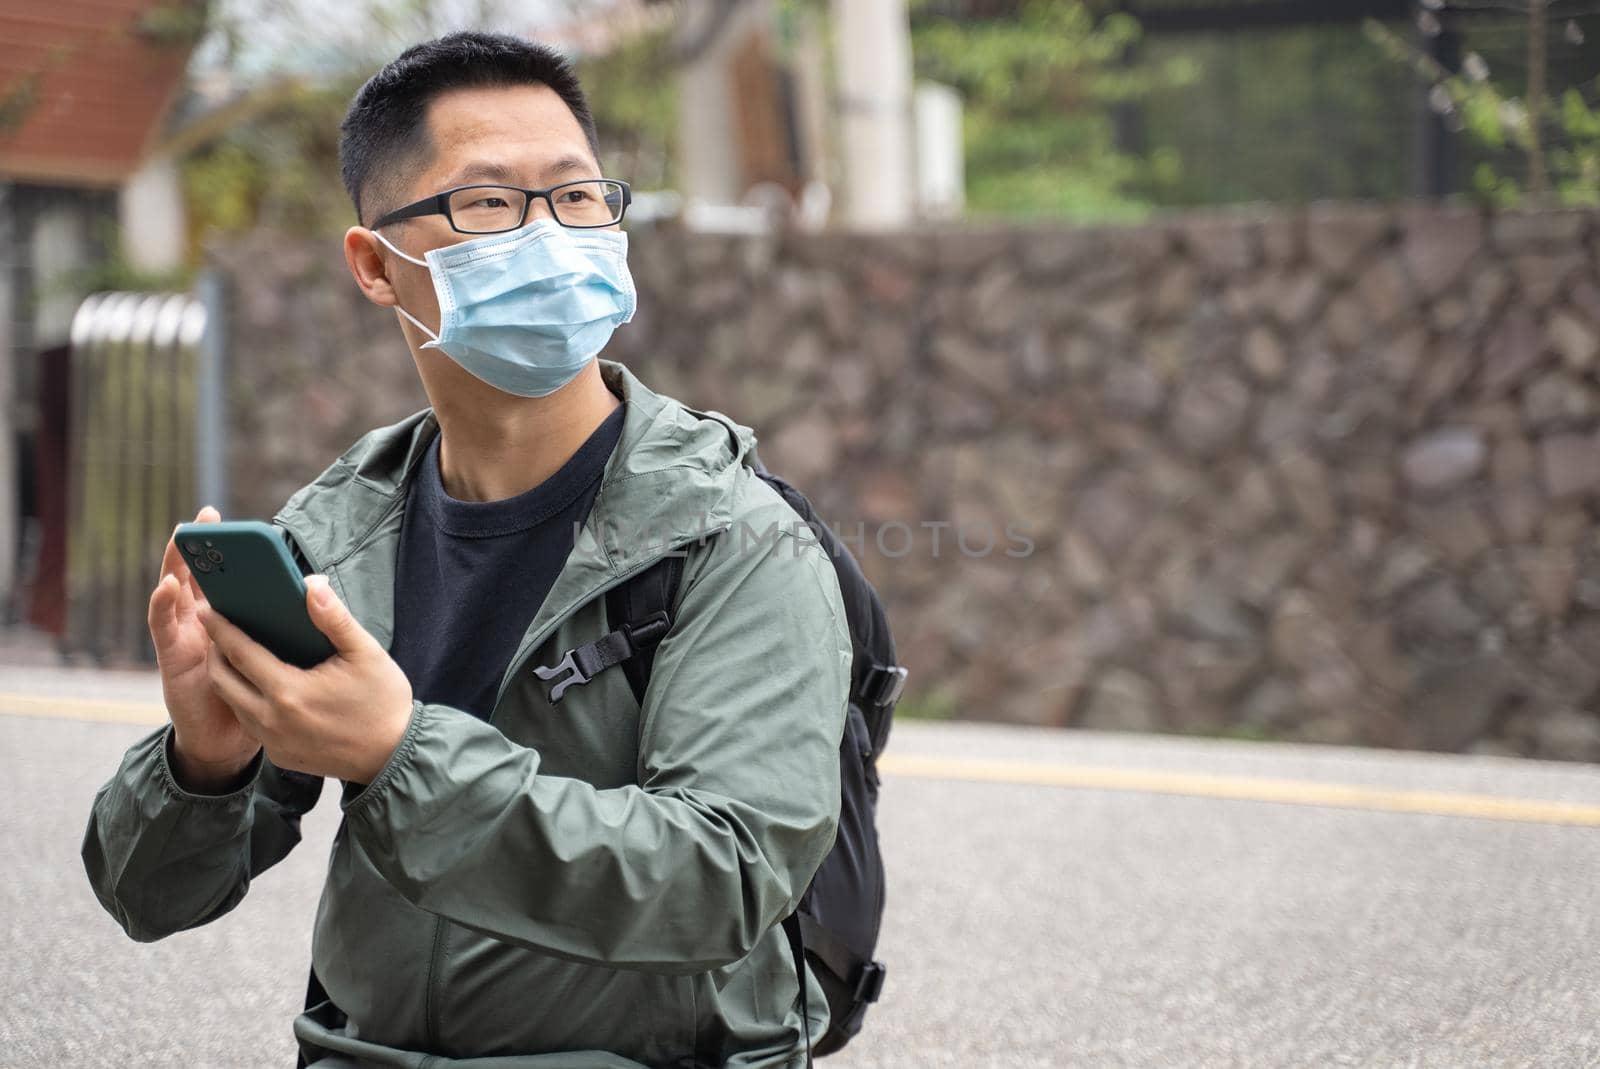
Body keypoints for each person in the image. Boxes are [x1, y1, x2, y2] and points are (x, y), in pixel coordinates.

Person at [81, 30, 852, 1069]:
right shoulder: (337, 534)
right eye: (487, 203)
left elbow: (725, 878)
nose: (548, 235)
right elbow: (146, 896)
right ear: (374, 264)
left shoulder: (736, 536)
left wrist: (397, 753)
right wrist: (203, 763)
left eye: (577, 197)